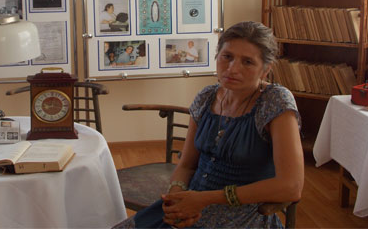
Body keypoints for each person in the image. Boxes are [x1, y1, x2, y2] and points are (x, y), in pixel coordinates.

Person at [114, 21, 303, 228]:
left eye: (247, 62)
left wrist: (204, 199)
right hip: (191, 205)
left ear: (265, 70)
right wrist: (175, 199)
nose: (232, 68)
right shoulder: (207, 97)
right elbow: (186, 165)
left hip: (243, 216)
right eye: (227, 56)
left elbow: (291, 186)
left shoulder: (274, 101)